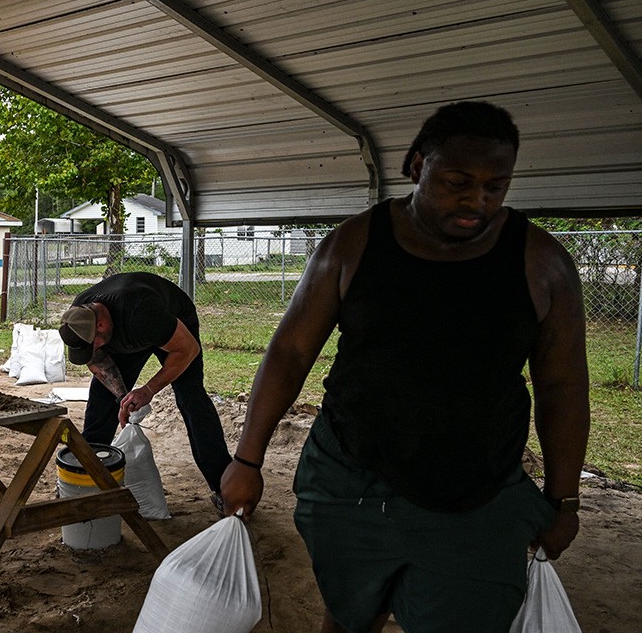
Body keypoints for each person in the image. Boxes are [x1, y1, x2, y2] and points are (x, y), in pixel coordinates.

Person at [220, 101, 589, 633]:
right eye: (457, 181)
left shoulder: (542, 263)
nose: (476, 201)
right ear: (417, 165)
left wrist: (564, 499)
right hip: (350, 481)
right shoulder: (352, 245)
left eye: (495, 186)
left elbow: (563, 387)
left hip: (478, 496)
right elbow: (291, 352)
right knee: (350, 616)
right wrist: (247, 460)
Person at [58, 271, 232, 507]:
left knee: (191, 400)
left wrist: (148, 390)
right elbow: (96, 361)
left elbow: (188, 350)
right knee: (102, 402)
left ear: (100, 324)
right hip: (126, 333)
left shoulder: (141, 312)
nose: (93, 350)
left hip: (174, 326)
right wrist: (122, 397)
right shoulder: (79, 315)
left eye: (94, 344)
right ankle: (84, 479)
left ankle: (225, 487)